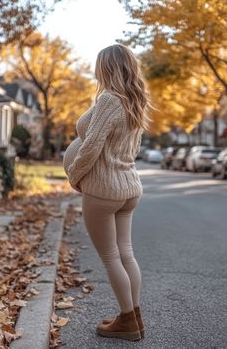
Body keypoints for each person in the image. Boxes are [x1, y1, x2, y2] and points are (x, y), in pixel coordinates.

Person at [65, 43, 151, 341]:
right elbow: (128, 149)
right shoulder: (133, 101)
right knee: (125, 253)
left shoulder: (109, 100)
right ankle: (133, 317)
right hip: (128, 187)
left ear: (107, 68)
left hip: (104, 189)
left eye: (99, 65)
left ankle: (127, 321)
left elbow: (92, 146)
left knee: (112, 257)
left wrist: (75, 175)